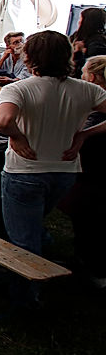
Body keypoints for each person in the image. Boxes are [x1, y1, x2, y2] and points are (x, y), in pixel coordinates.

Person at [0, 31, 106, 262]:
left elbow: (3, 122)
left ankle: (27, 292)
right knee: (31, 220)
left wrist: (17, 137)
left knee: (22, 242)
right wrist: (83, 135)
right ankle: (42, 247)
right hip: (65, 171)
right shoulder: (88, 90)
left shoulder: (17, 89)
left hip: (25, 170)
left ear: (30, 57)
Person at [66, 55, 106, 285]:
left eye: (83, 73)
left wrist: (83, 134)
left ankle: (94, 270)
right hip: (92, 174)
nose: (80, 76)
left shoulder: (96, 114)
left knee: (91, 221)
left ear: (92, 77)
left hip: (92, 176)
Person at [71, 7, 106, 74]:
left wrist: (79, 53)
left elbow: (91, 67)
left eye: (81, 19)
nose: (78, 22)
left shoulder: (97, 42)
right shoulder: (76, 36)